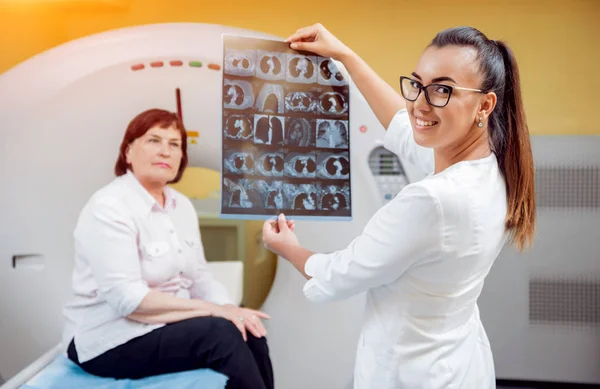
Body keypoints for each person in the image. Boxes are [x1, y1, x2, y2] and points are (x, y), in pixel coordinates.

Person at [262, 23, 536, 389]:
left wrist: (287, 248)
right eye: (417, 84)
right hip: (458, 363)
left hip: (411, 373)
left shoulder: (432, 201)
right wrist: (345, 55)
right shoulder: (491, 168)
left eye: (442, 89)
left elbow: (339, 274)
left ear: (485, 104)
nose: (420, 103)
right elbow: (402, 124)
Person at [61, 108, 281, 389]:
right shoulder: (109, 206)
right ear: (128, 152)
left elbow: (200, 277)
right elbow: (128, 301)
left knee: (249, 328)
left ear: (181, 157)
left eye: (174, 144)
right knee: (222, 334)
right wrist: (210, 310)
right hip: (107, 339)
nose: (165, 151)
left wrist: (228, 307)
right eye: (153, 140)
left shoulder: (181, 206)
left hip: (164, 327)